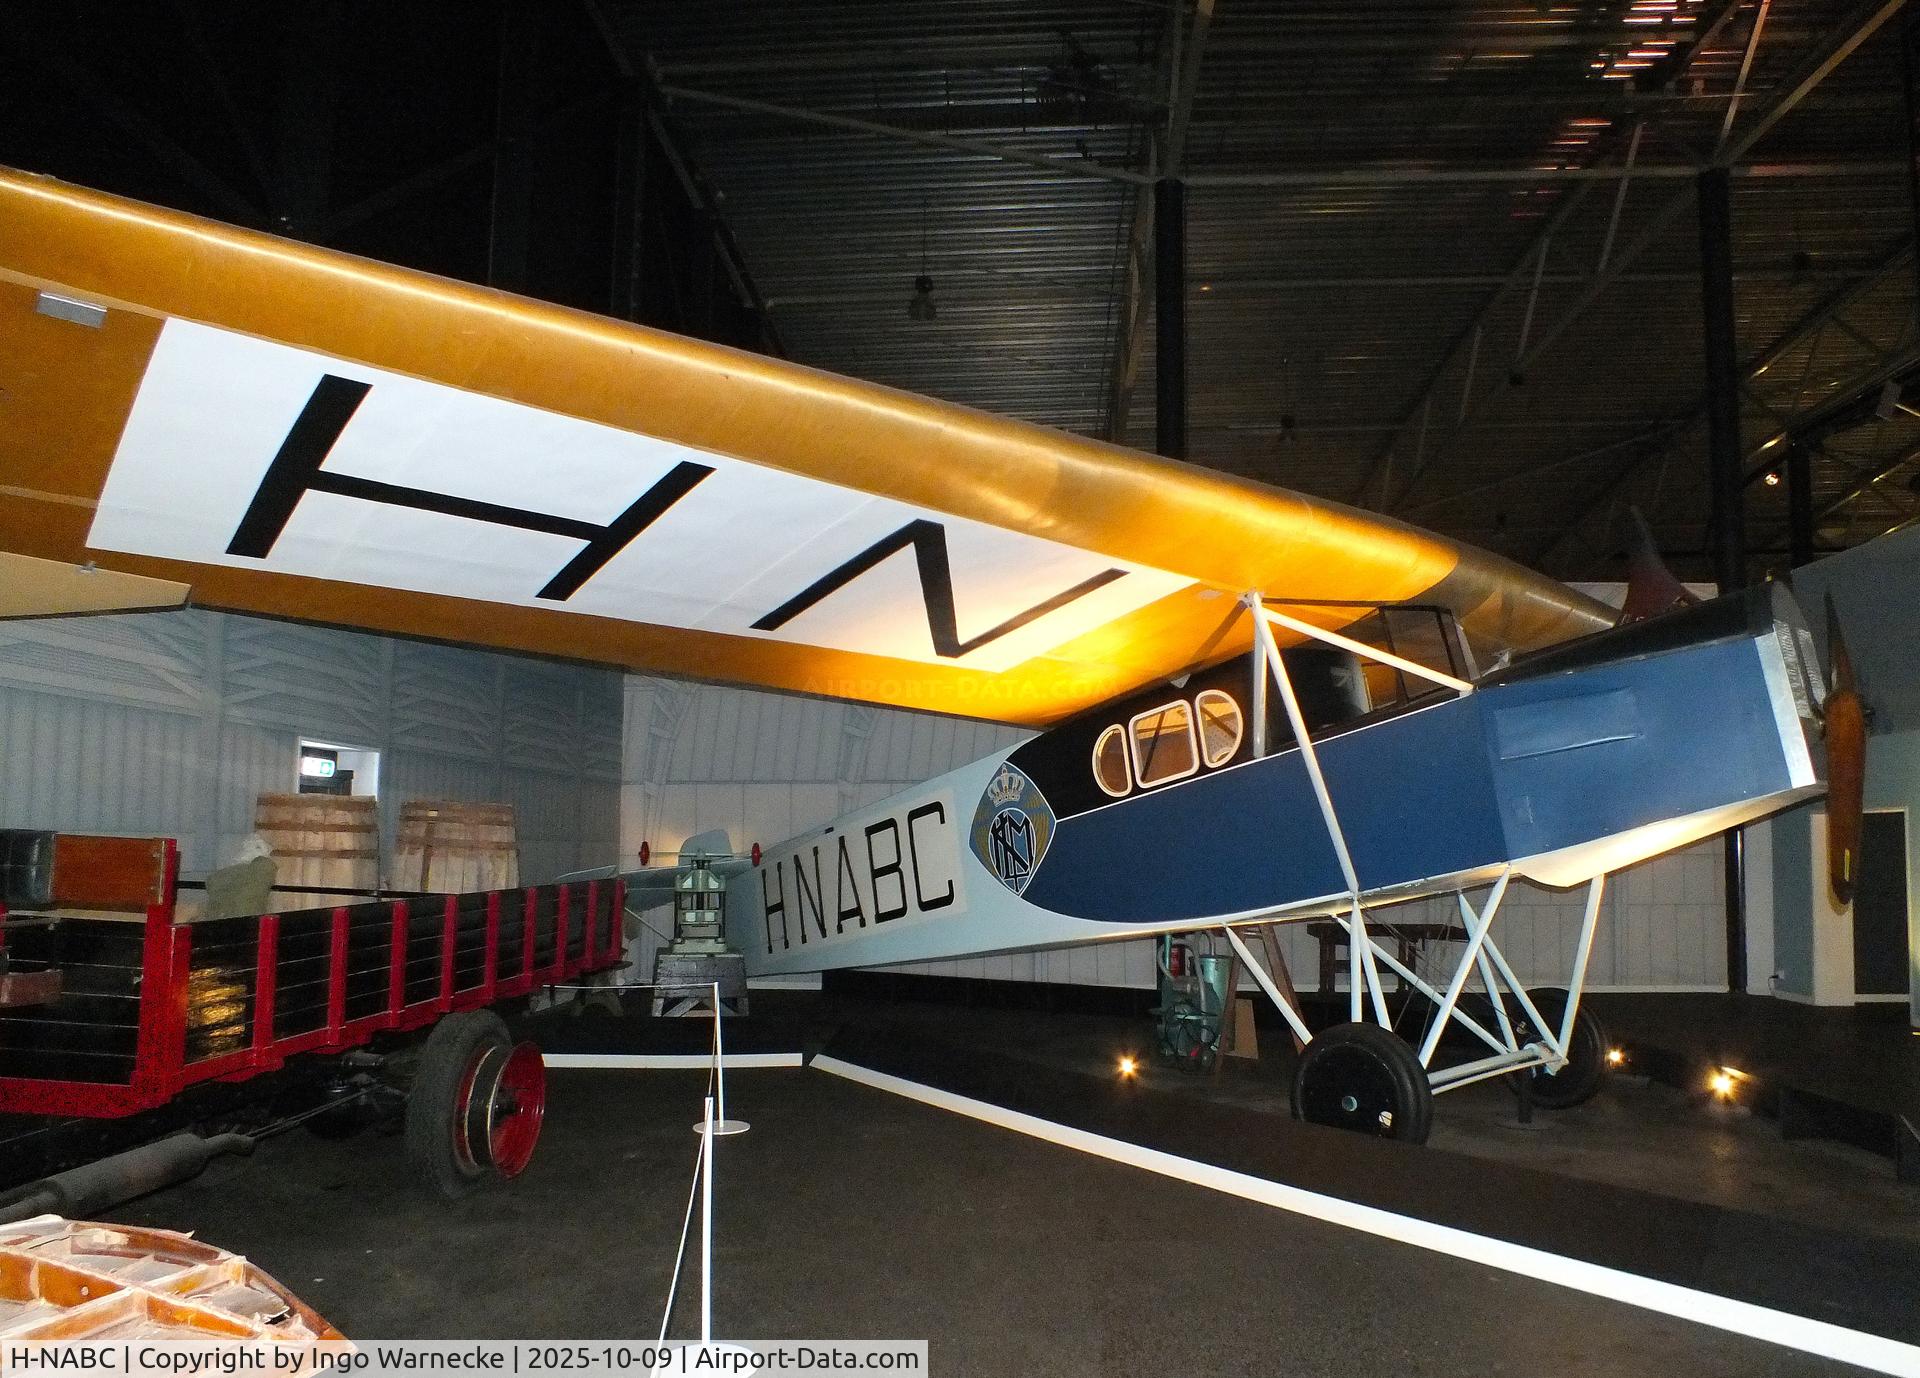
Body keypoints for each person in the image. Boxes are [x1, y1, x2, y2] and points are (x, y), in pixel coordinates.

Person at [203, 834, 277, 920]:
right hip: (248, 919)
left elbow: (211, 882)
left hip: (224, 918)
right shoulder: (262, 871)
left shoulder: (240, 871)